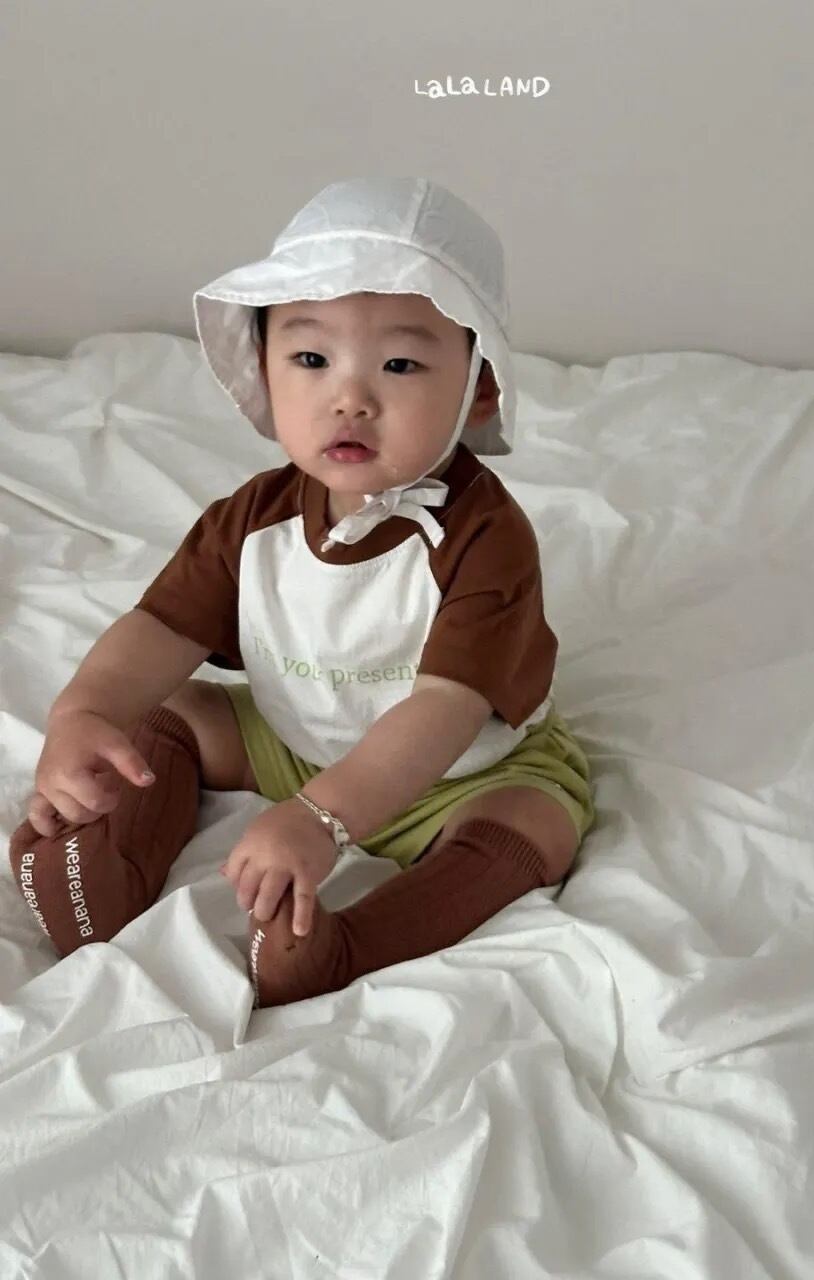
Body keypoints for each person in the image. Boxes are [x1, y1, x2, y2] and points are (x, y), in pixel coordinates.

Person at [8, 176, 596, 1009]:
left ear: (479, 391)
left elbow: (444, 712)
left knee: (535, 825)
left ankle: (344, 947)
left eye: (400, 364)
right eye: (311, 359)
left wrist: (323, 819)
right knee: (172, 710)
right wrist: (85, 713)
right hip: (292, 738)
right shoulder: (254, 520)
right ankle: (109, 873)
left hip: (459, 774)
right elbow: (159, 629)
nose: (349, 398)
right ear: (265, 372)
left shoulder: (485, 539)